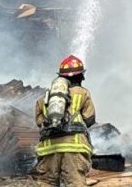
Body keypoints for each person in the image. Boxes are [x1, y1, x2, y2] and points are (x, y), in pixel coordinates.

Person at [33, 55, 96, 187]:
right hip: (74, 147)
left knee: (46, 182)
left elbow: (40, 122)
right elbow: (89, 119)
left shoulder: (44, 98)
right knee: (75, 183)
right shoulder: (83, 93)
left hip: (49, 149)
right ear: (80, 76)